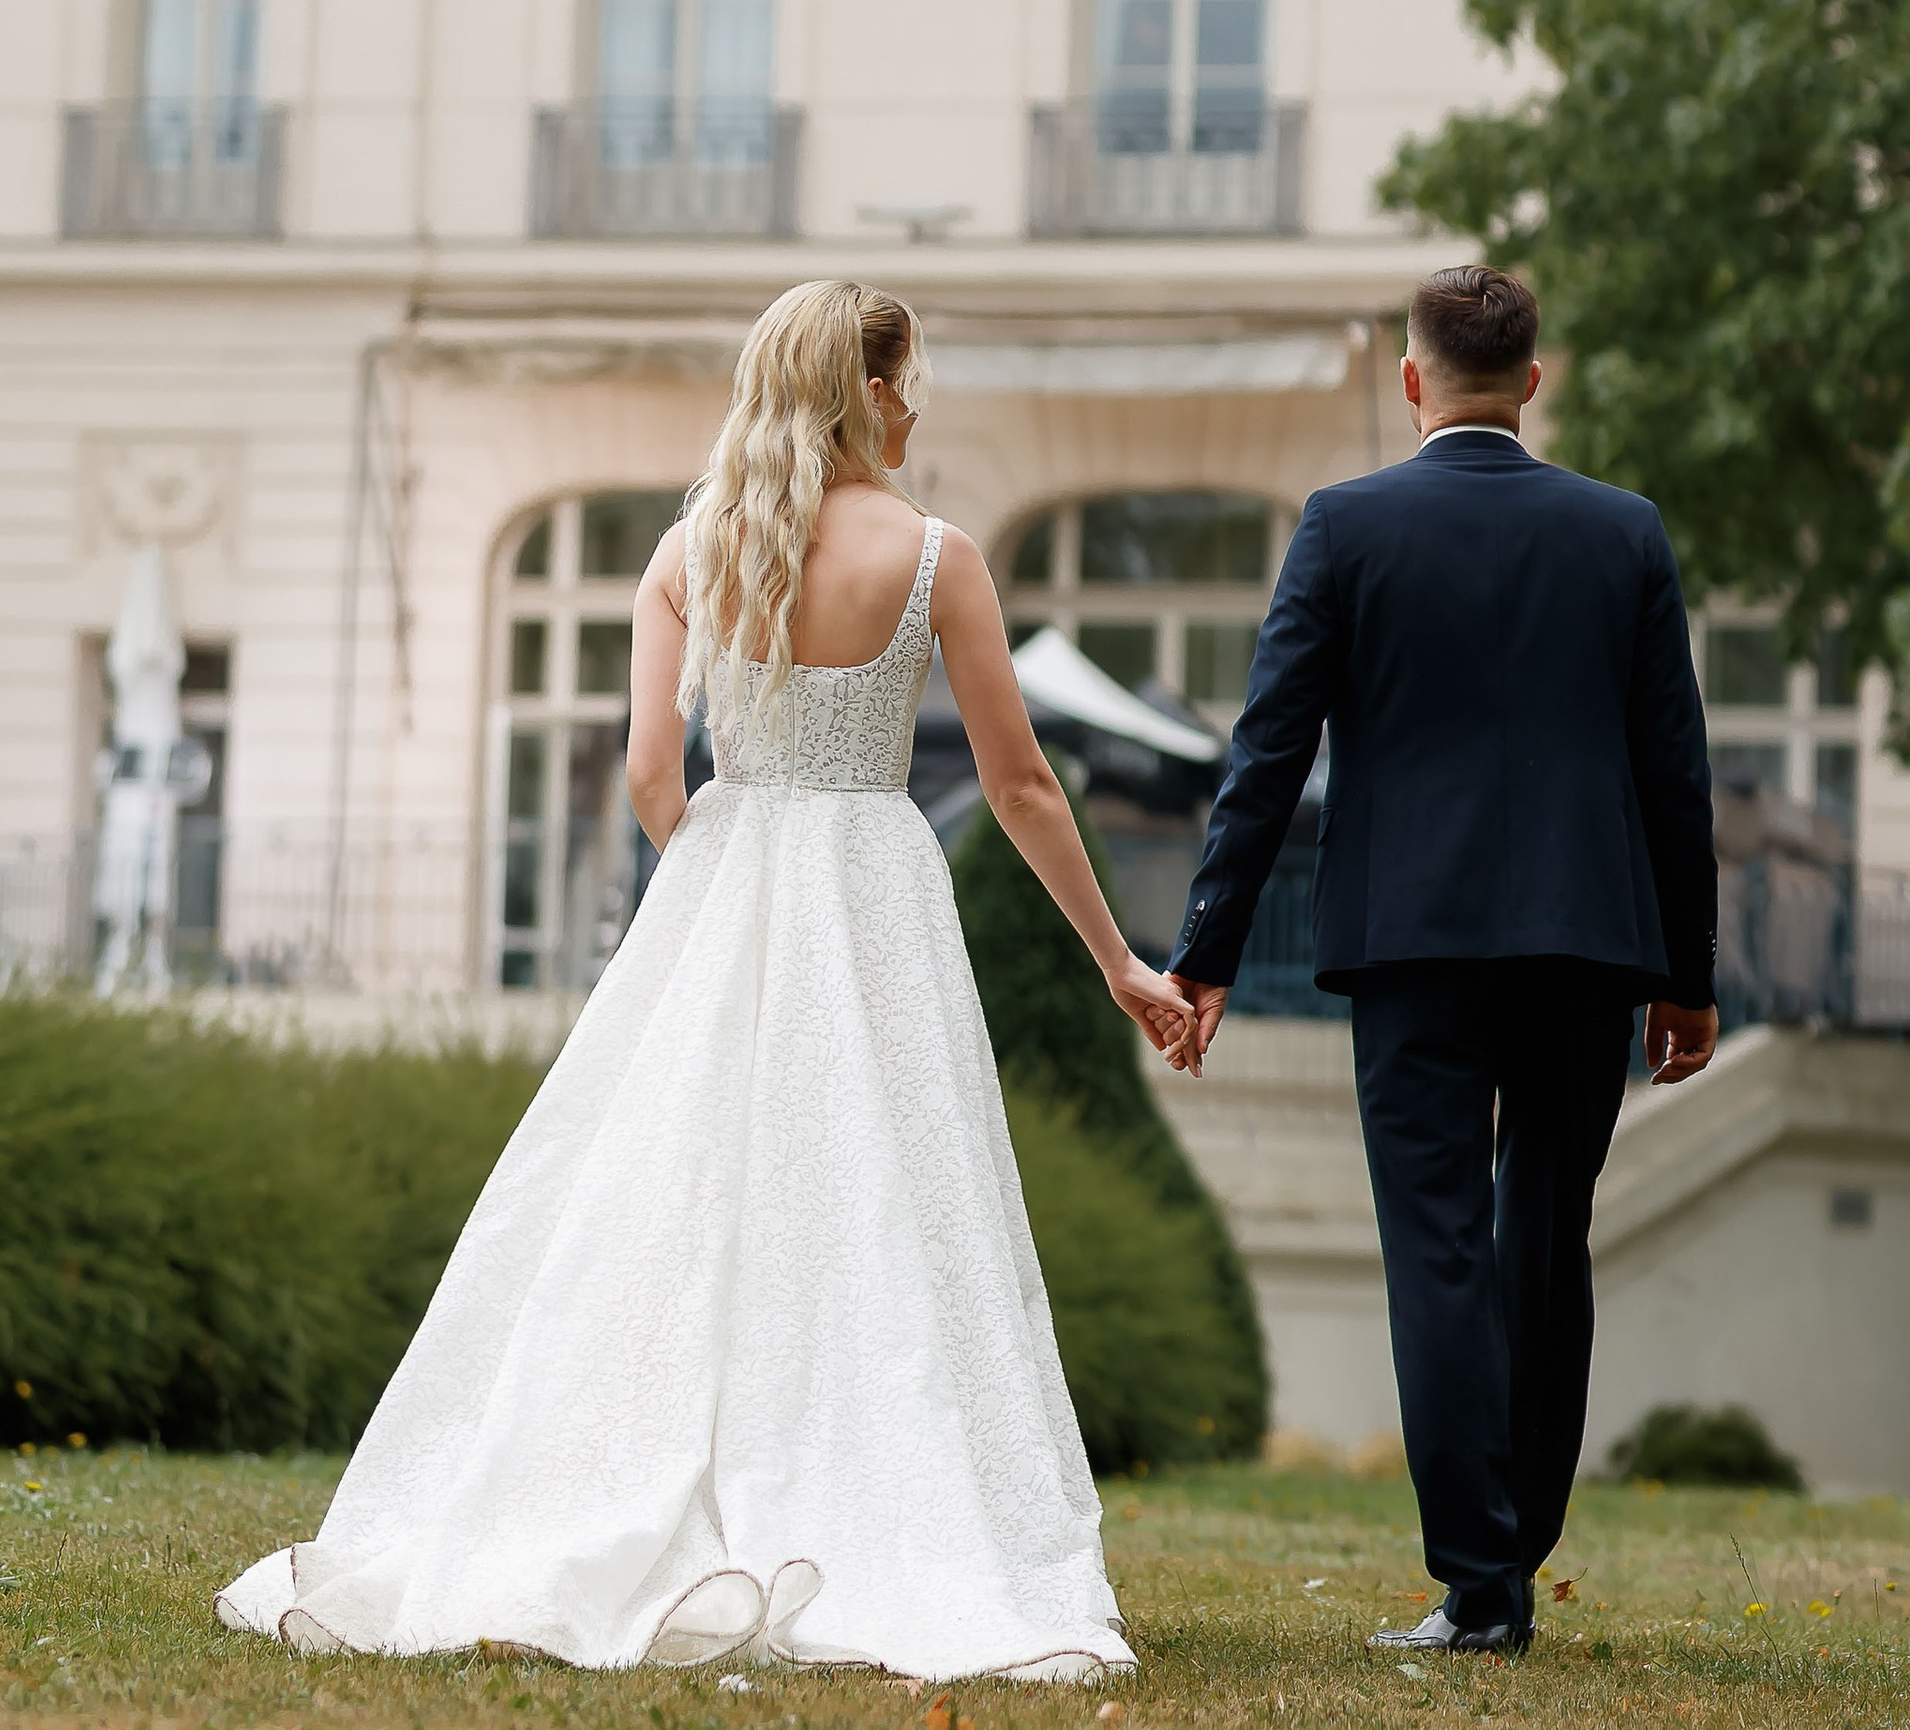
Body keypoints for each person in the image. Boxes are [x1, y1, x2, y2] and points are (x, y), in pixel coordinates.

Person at [217, 279, 1191, 1681]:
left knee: (671, 1200)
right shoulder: (934, 557)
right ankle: (877, 1506)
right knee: (883, 1202)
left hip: (728, 886)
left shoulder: (693, 552)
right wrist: (1118, 961)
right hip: (872, 894)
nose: (919, 406)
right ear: (865, 391)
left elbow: (646, 774)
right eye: (908, 382)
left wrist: (726, 883)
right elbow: (1023, 784)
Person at [1166, 263, 1718, 1658]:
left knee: (1439, 1243)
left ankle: (1483, 1585)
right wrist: (1690, 975)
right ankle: (1514, 1544)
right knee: (1545, 1234)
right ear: (1535, 379)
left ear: (1414, 380)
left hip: (1409, 945)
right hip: (1592, 942)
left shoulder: (1346, 527)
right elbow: (1676, 776)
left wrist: (1207, 953)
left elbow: (1267, 754)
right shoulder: (1625, 534)